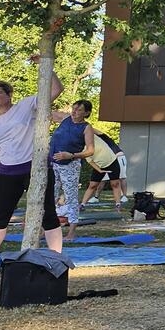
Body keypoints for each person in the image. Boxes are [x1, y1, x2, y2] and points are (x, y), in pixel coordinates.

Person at [0, 71, 66, 277]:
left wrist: (46, 66)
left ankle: (57, 261)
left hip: (35, 168)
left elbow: (56, 90)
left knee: (47, 212)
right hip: (7, 172)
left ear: (9, 94)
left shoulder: (26, 106)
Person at [48, 99, 96, 241]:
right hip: (52, 163)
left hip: (70, 164)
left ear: (86, 113)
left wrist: (72, 155)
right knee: (50, 197)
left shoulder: (86, 128)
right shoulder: (65, 119)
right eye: (73, 108)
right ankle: (46, 229)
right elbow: (47, 112)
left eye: (78, 110)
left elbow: (90, 150)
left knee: (71, 197)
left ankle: (71, 233)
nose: (74, 112)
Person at [80, 130, 127, 207]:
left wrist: (86, 127)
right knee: (94, 184)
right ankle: (84, 203)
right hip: (100, 165)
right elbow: (90, 161)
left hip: (114, 161)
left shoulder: (97, 137)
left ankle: (120, 201)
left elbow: (93, 130)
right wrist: (99, 170)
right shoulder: (83, 148)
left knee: (116, 182)